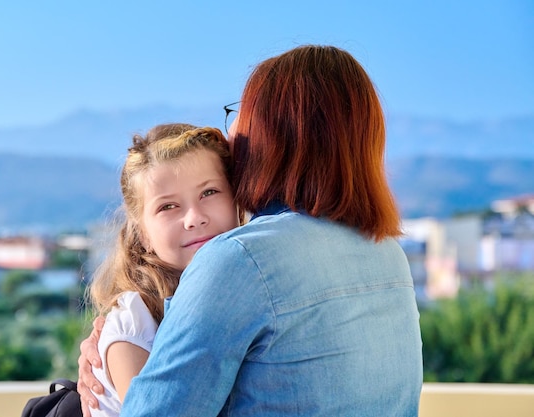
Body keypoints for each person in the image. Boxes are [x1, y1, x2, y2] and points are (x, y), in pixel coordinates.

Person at [79, 44, 424, 416]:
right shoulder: (388, 254)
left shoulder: (239, 261)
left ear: (272, 135)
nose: (232, 132)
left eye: (242, 114)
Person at [86, 123, 242, 416]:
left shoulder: (240, 294)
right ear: (142, 233)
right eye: (168, 207)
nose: (194, 218)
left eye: (209, 192)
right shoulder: (135, 324)